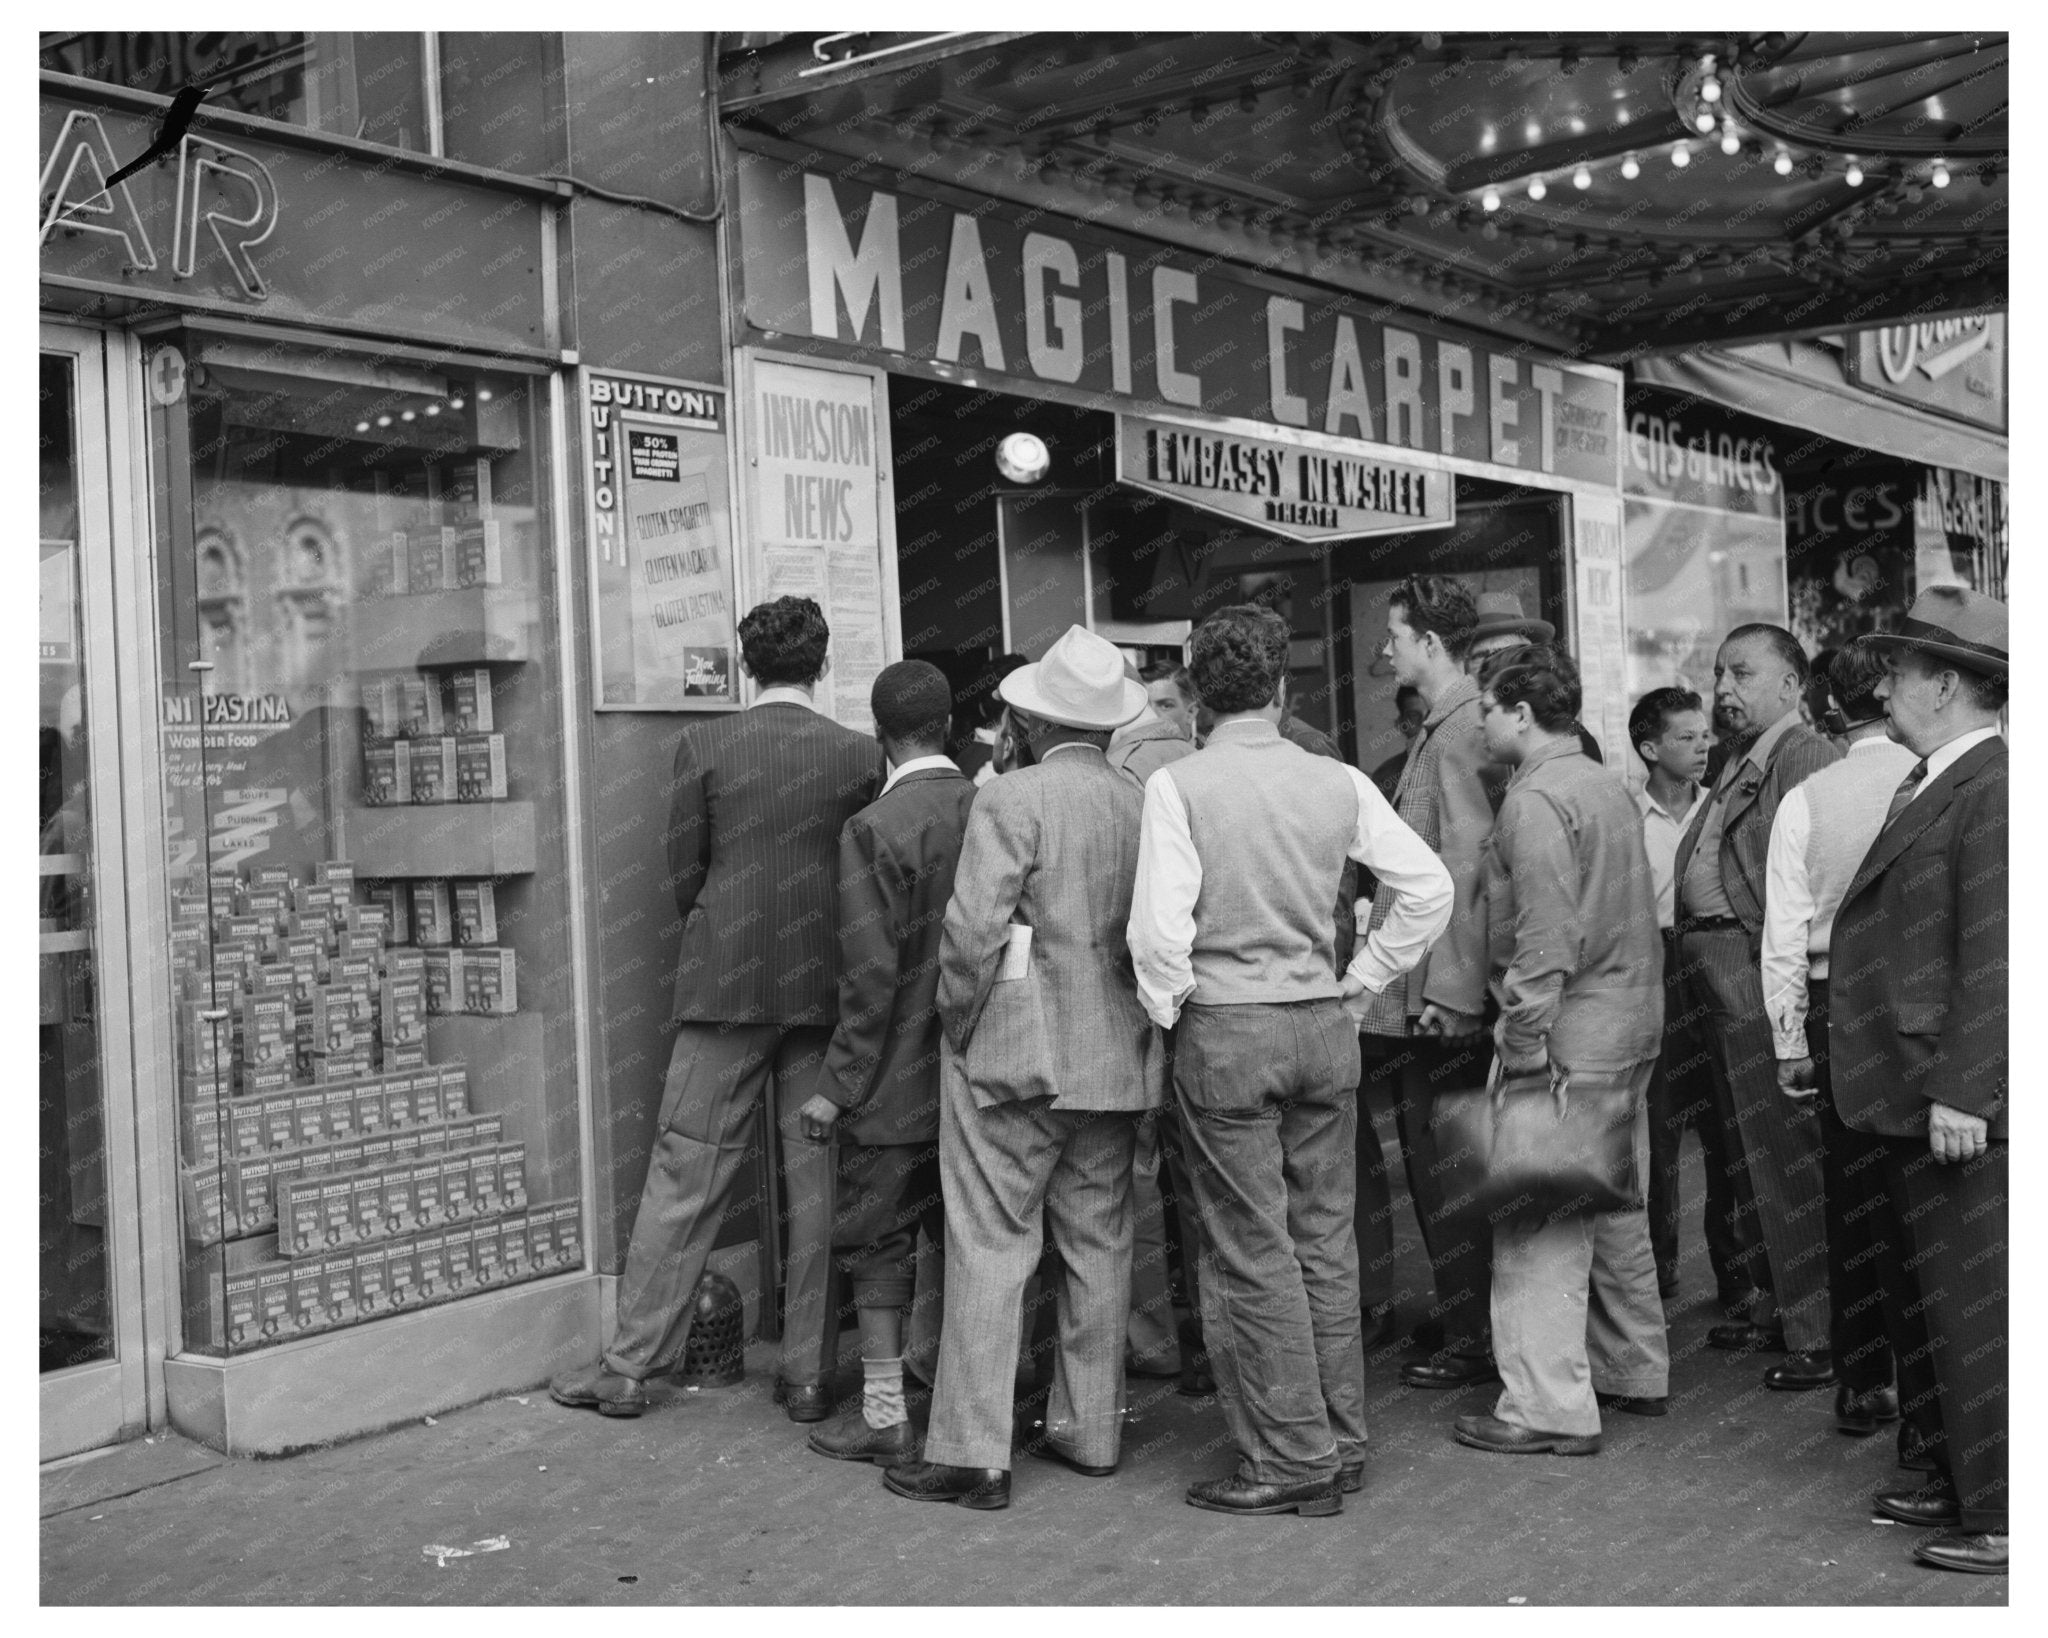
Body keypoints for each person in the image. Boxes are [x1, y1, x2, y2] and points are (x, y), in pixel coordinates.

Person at [1129, 603, 1451, 1516]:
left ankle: (1291, 1457)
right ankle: (1340, 1439)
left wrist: (1170, 1014)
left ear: (1197, 695)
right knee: (1323, 1240)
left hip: (1227, 1027)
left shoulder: (1179, 785)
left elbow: (1158, 936)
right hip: (1322, 1024)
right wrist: (1364, 978)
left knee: (1248, 1250)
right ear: (1281, 688)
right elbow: (1428, 887)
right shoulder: (1338, 779)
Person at [551, 597, 883, 1420]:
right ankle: (807, 1375)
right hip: (823, 986)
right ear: (824, 665)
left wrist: (721, 933)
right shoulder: (857, 755)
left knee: (685, 1171)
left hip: (727, 987)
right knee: (818, 1185)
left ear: (745, 666)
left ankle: (631, 1367)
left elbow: (684, 871)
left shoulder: (705, 743)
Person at [884, 625, 1166, 1511]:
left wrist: (957, 1031)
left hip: (1012, 1060)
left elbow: (971, 935)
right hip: (1114, 1057)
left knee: (991, 1242)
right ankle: (1091, 1432)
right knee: (1098, 1245)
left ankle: (974, 1453)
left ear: (1035, 722)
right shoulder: (1140, 800)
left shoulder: (1009, 799)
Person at [1829, 588, 2007, 1576]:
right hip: (1907, 1091)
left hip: (1944, 1098)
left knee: (1975, 1311)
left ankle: (2003, 1508)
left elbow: (1995, 956)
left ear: (1943, 685)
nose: (1882, 683)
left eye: (1897, 669)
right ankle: (1951, 1474)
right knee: (1932, 1306)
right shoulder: (1949, 778)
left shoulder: (1986, 787)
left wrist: (1961, 1091)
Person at [1453, 645, 1668, 1456]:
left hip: (1570, 1030)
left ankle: (1547, 1407)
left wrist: (1523, 1037)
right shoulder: (1606, 783)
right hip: (1632, 1017)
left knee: (1538, 1222)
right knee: (1614, 1205)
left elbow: (1545, 937)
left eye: (1486, 708)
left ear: (1518, 713)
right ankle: (1633, 1369)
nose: (1479, 721)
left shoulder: (1534, 799)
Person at [803, 662, 977, 1467]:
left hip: (895, 1083)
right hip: (981, 1079)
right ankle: (963, 1407)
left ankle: (883, 1414)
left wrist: (836, 1090)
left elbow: (870, 980)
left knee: (879, 1243)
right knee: (973, 1244)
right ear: (949, 724)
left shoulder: (875, 827)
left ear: (881, 733)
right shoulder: (989, 805)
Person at [1758, 639, 1925, 1433]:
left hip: (1835, 1010)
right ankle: (1938, 1380)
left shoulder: (1808, 800)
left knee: (1851, 1197)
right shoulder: (1943, 782)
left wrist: (1789, 1040)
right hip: (1928, 1005)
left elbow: (1782, 934)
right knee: (1932, 1194)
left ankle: (1864, 1378)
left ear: (1830, 706)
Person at [1670, 624, 1840, 1375]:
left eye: (1742, 672)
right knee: (1747, 1159)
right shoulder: (1745, 757)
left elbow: (1795, 889)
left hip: (1751, 966)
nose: (1725, 689)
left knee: (1783, 1158)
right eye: (1719, 675)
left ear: (1792, 684)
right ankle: (1779, 1308)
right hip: (1720, 967)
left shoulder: (1800, 754)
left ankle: (1816, 1330)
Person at [1356, 574, 1500, 1388]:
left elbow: (1467, 867)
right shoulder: (1447, 728)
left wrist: (1451, 994)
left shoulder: (1454, 735)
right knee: (1437, 1163)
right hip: (1429, 996)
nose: (1387, 649)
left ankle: (1472, 1337)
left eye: (1397, 634)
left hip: (1439, 1004)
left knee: (1446, 1167)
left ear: (1433, 645)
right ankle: (1465, 1321)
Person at [1628, 685, 1758, 1304]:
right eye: (1685, 736)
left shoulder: (1720, 810)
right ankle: (1657, 1266)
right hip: (1652, 969)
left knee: (1726, 1120)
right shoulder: (1627, 817)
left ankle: (1736, 1272)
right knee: (1656, 1128)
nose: (1703, 745)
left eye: (1704, 733)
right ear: (1649, 748)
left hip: (1714, 958)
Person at [1463, 591, 1604, 762]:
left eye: (1505, 652)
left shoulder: (1569, 738)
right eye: (1480, 655)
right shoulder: (1464, 737)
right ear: (1466, 665)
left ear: (1526, 657)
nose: (1491, 662)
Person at [1371, 685, 1426, 800]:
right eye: (1414, 716)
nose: (1424, 723)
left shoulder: (1454, 767)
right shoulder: (1385, 777)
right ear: (1401, 723)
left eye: (1431, 714)